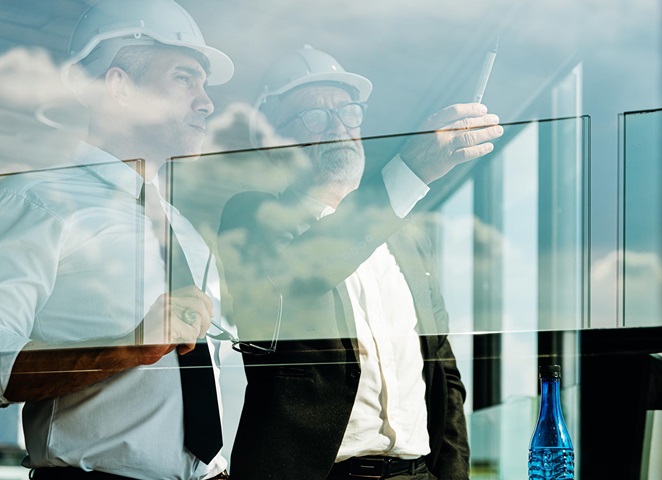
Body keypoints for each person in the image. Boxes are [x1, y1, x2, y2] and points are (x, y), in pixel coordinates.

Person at [217, 45, 504, 479]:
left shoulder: (404, 237)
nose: (337, 126)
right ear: (270, 142)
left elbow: (443, 373)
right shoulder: (251, 218)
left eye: (348, 111)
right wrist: (410, 170)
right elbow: (302, 275)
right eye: (313, 116)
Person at [0, 1, 234, 479]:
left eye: (204, 84)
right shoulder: (35, 201)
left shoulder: (186, 234)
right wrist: (129, 347)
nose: (206, 101)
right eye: (184, 78)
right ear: (119, 87)